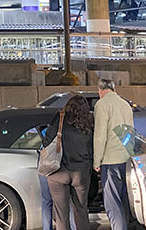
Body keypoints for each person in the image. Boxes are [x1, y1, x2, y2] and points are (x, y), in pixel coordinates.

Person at [42, 94, 93, 230]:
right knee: (81, 211)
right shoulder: (89, 122)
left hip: (58, 172)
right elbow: (92, 148)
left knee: (61, 215)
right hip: (80, 173)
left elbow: (46, 142)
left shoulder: (59, 118)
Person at [93, 78, 135, 230]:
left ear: (100, 89)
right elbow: (131, 132)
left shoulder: (102, 105)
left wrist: (96, 161)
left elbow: (100, 135)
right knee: (124, 199)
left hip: (110, 160)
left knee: (112, 202)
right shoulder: (125, 104)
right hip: (126, 158)